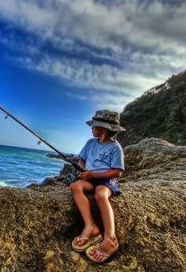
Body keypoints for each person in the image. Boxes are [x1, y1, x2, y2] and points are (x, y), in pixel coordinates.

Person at [70, 110, 126, 263]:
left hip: (106, 179)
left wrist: (94, 175)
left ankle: (110, 238)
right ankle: (91, 227)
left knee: (100, 195)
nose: (92, 128)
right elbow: (81, 160)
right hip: (90, 178)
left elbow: (117, 172)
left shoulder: (115, 148)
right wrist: (82, 169)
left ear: (105, 129)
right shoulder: (90, 143)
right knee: (76, 186)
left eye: (95, 126)